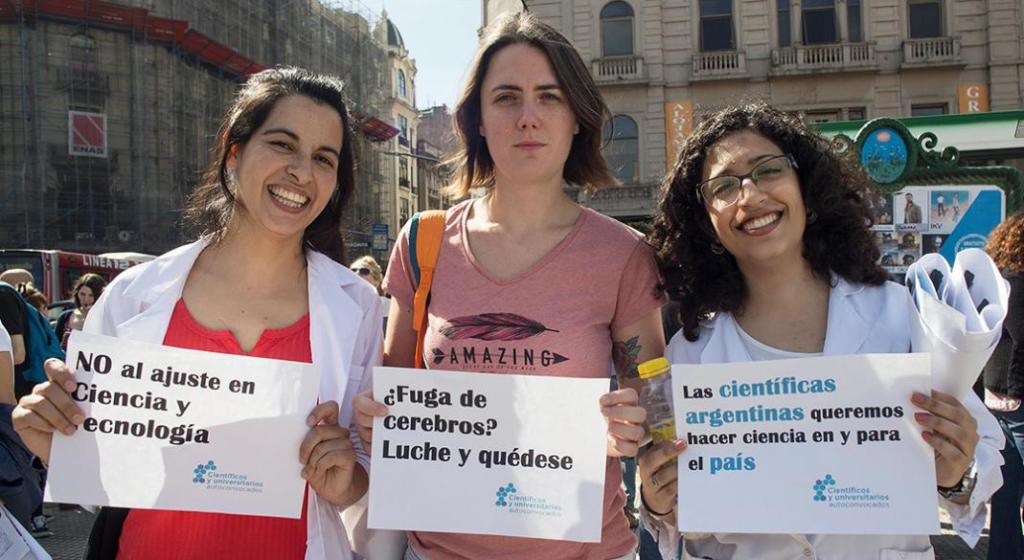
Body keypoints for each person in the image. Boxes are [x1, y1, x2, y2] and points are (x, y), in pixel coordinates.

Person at [11, 67, 383, 560]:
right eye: (281, 144)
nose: (301, 172)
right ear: (234, 152)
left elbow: (369, 475)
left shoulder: (358, 307)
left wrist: (346, 479)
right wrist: (55, 441)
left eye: (323, 158)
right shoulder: (133, 297)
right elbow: (99, 482)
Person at [354, 12, 665, 560]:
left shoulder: (624, 255)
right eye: (506, 98)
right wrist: (372, 418)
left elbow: (653, 397)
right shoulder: (423, 243)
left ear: (576, 117)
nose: (528, 118)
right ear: (477, 119)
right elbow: (391, 393)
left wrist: (636, 424)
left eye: (549, 97)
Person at [643, 103, 1003, 559]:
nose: (749, 195)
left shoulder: (900, 315)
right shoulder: (689, 356)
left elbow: (982, 459)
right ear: (707, 223)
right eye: (724, 186)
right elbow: (682, 518)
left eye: (768, 170)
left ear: (806, 189)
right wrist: (658, 499)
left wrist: (957, 474)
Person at [982, 212, 1024, 559]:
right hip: (1017, 395)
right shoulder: (1018, 282)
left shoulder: (994, 282)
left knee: (1005, 490)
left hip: (996, 397)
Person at [55, 273, 107, 350]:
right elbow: (54, 346)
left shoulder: (105, 320)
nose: (86, 300)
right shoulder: (65, 317)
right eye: (82, 294)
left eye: (91, 295)